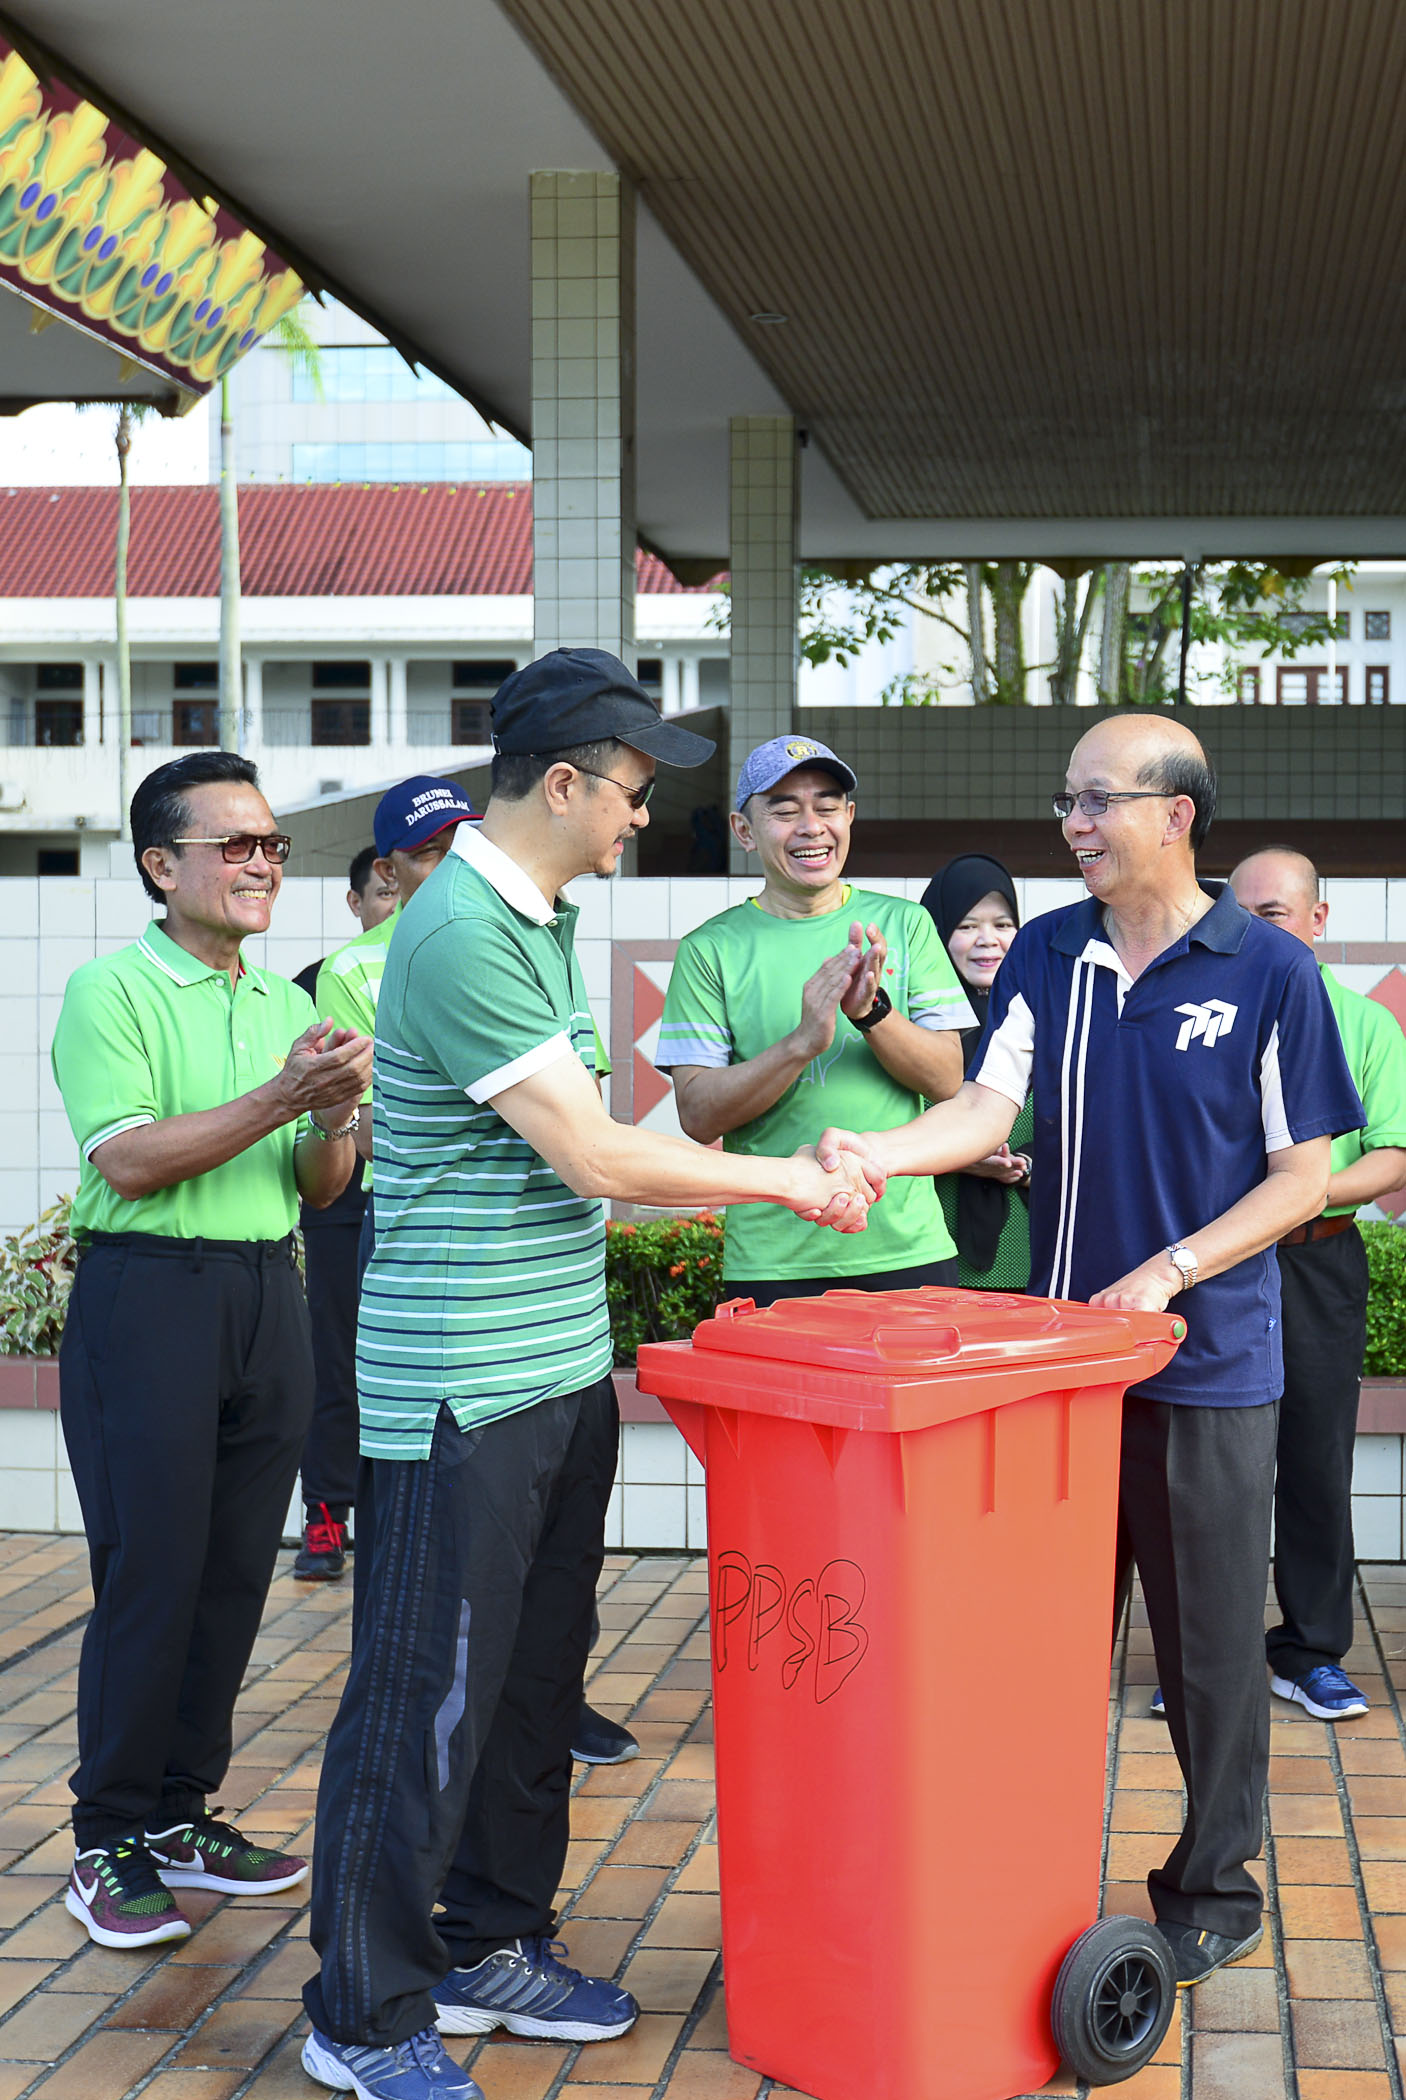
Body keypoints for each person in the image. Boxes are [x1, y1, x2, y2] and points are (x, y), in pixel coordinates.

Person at [301, 650, 872, 2100]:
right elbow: (603, 1157)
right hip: (457, 1391)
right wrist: (788, 1183)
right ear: (562, 783)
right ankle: (359, 2010)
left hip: (552, 1369)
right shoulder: (460, 937)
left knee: (533, 1686)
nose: (638, 821)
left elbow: (590, 1146)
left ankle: (488, 1937)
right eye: (628, 792)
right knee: (421, 1698)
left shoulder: (537, 923)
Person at [816, 713, 1364, 1988]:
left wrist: (1167, 1271)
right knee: (1033, 1643)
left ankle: (1212, 1885)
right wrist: (874, 1154)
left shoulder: (1267, 973)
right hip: (1052, 1373)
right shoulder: (1051, 953)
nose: (1070, 826)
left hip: (1207, 1369)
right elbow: (981, 1107)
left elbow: (1303, 1178)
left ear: (1174, 815)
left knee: (1210, 1654)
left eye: (1096, 802)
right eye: (1064, 801)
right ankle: (1022, 1867)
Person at [51, 751, 372, 1951]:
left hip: (263, 1291)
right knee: (152, 1572)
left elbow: (322, 1183)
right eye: (235, 844)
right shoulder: (111, 991)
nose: (261, 864)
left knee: (237, 1569)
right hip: (151, 1299)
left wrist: (336, 1111)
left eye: (274, 847)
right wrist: (290, 1097)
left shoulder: (283, 1004)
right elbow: (127, 1159)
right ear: (160, 864)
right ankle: (109, 1837)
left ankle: (183, 1812)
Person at [655, 734, 971, 1307]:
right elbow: (698, 1115)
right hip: (772, 1260)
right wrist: (801, 1042)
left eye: (827, 807)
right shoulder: (710, 949)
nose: (811, 826)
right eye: (784, 810)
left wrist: (871, 1014)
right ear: (744, 831)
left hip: (909, 1249)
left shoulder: (906, 925)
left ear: (849, 818)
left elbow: (949, 1080)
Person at [1229, 848, 1406, 1720]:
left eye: (1275, 913)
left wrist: (1296, 1193)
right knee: (1216, 1461)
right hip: (1221, 1263)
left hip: (1319, 1258)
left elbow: (1391, 1158)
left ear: (1317, 921)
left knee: (1314, 1457)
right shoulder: (1215, 1013)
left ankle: (1308, 1651)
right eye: (1241, 914)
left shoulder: (1364, 1025)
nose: (1256, 930)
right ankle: (1214, 1658)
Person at [291, 783, 476, 1580]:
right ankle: (329, 1515)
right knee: (343, 1363)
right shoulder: (341, 973)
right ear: (386, 878)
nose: (448, 868)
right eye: (428, 853)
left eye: (457, 848)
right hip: (358, 1203)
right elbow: (356, 1126)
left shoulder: (530, 942)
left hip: (467, 1215)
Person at [920, 854, 1032, 1289]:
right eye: (967, 926)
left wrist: (1023, 1162)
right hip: (932, 1246)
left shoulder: (1044, 1014)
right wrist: (961, 1152)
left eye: (1003, 925)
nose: (988, 940)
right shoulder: (911, 1028)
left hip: (1030, 1246)